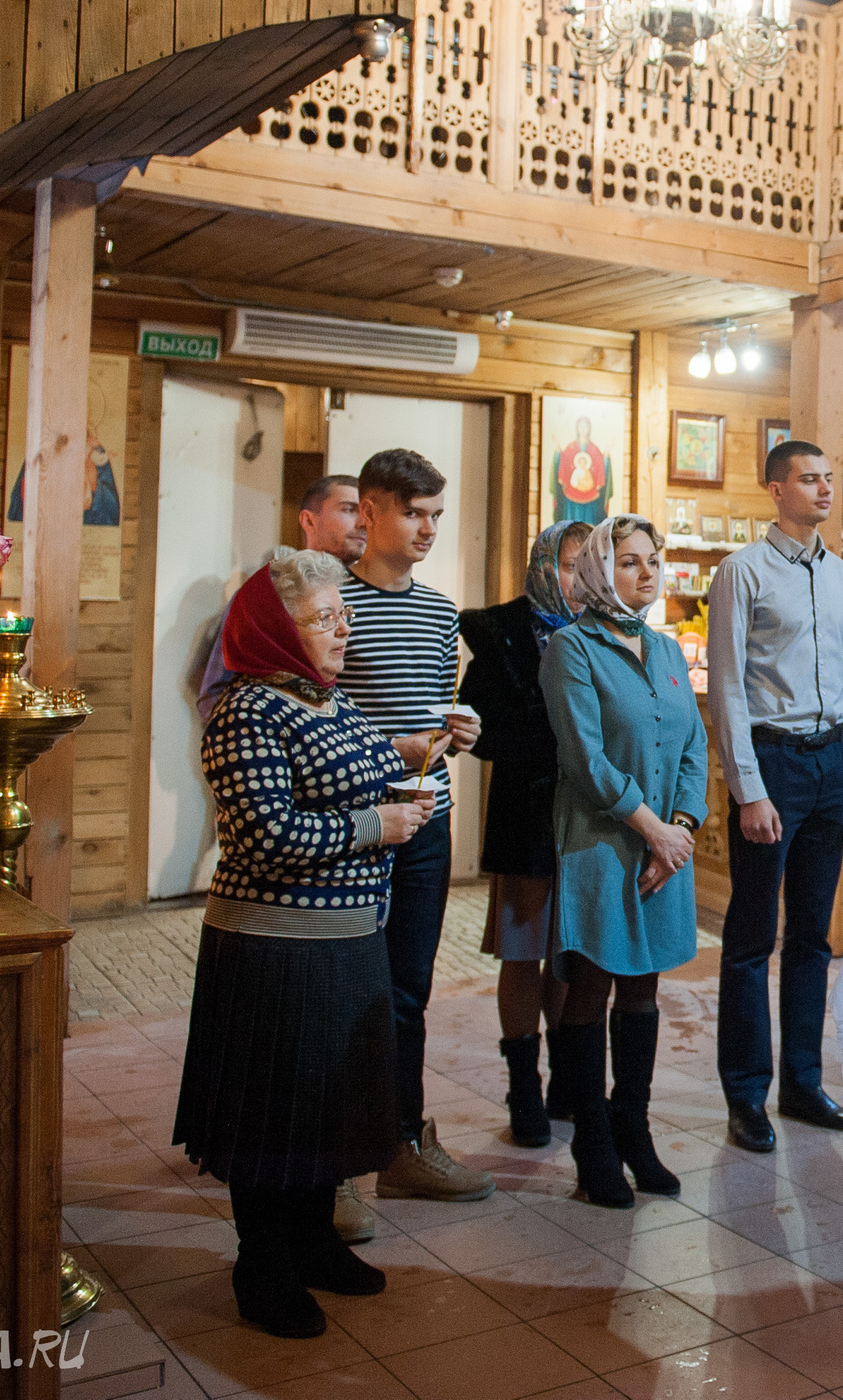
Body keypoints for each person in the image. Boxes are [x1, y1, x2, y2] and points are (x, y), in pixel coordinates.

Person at [171, 548, 438, 1339]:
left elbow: (361, 769)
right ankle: (263, 1264)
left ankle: (315, 1240)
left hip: (349, 942)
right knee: (274, 1113)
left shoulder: (329, 702)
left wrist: (416, 756)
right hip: (276, 949)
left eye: (342, 616)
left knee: (332, 1106)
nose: (342, 631)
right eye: (324, 619)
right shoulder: (248, 709)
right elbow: (261, 834)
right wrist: (376, 825)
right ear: (274, 629)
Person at [705, 440, 843, 1153]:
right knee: (749, 939)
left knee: (813, 937)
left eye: (830, 479)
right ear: (775, 490)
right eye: (809, 480)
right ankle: (747, 1095)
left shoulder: (842, 578)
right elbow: (728, 687)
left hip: (829, 763)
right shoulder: (740, 572)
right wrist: (747, 788)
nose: (825, 490)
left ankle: (802, 1084)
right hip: (770, 761)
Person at [542, 514, 706, 1207]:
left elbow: (694, 743)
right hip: (602, 842)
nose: (646, 573)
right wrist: (649, 827)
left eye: (652, 560)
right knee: (591, 986)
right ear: (600, 571)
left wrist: (681, 827)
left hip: (665, 847)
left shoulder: (667, 651)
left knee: (645, 990)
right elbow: (585, 758)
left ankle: (632, 1130)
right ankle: (592, 1143)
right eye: (630, 561)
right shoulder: (570, 648)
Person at [337, 449, 486, 1207]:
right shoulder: (329, 600)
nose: (428, 528)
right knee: (340, 990)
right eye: (412, 513)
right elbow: (313, 722)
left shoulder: (435, 610)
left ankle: (400, 1142)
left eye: (435, 515)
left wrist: (461, 728)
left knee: (408, 988)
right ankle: (332, 1167)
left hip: (429, 817)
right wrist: (386, 748)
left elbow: (434, 706)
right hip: (356, 823)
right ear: (368, 512)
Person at [456, 520, 593, 1150]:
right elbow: (479, 729)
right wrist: (556, 744)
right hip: (529, 811)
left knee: (572, 948)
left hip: (590, 816)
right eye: (571, 564)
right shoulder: (501, 629)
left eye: (592, 563)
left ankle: (568, 1075)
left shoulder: (602, 629)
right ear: (544, 564)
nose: (582, 577)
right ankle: (522, 1085)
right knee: (524, 945)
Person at [197, 475, 366, 725]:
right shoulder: (270, 596)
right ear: (309, 519)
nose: (362, 522)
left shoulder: (370, 593)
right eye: (349, 509)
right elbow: (216, 694)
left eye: (365, 512)